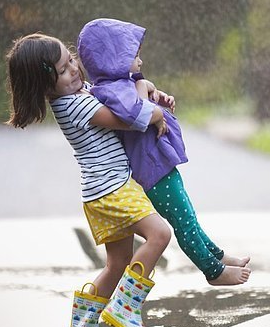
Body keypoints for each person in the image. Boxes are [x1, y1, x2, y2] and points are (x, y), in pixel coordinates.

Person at [6, 33, 172, 327]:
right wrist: (151, 105)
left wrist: (143, 87)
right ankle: (125, 309)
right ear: (45, 83)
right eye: (64, 69)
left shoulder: (73, 97)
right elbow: (130, 119)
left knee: (117, 263)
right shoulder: (75, 105)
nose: (74, 70)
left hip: (98, 192)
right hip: (113, 188)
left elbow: (121, 99)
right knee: (159, 234)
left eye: (71, 60)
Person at [77, 18, 251, 286]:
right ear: (113, 60)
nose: (140, 61)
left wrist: (157, 94)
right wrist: (152, 107)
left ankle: (217, 255)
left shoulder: (121, 85)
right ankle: (213, 271)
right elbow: (136, 113)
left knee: (188, 215)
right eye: (134, 56)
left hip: (158, 166)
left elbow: (141, 97)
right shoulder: (111, 90)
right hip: (151, 172)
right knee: (183, 223)